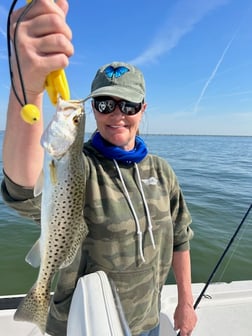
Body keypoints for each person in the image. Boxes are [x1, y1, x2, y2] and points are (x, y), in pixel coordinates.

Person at [1, 1, 197, 335]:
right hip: (85, 325)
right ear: (93, 108)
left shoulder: (162, 172)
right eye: (105, 104)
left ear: (143, 108)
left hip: (148, 323)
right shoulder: (81, 165)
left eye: (129, 105)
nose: (117, 114)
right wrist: (28, 91)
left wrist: (185, 302)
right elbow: (22, 190)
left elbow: (181, 238)